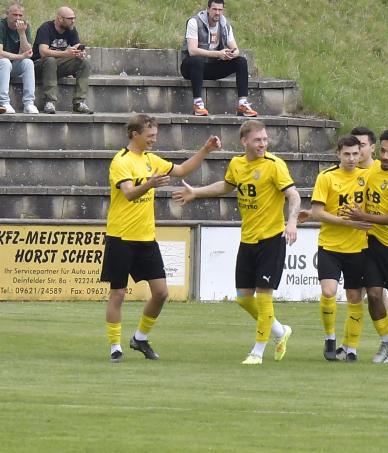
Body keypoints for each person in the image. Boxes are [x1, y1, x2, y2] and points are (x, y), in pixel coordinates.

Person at [172, 120, 299, 365]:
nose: (263, 144)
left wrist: (291, 222)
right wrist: (196, 192)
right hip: (248, 239)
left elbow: (293, 195)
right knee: (243, 298)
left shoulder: (275, 165)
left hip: (272, 239)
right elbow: (226, 186)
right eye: (257, 140)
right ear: (244, 142)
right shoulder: (237, 164)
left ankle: (257, 352)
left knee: (264, 297)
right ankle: (281, 332)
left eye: (265, 139)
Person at [102, 114, 220, 363]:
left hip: (146, 237)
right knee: (118, 294)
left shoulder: (150, 160)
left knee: (161, 292)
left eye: (155, 135)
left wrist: (205, 150)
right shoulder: (120, 161)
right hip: (121, 236)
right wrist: (151, 183)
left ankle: (140, 338)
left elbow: (182, 170)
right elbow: (129, 194)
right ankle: (115, 346)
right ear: (135, 135)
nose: (154, 140)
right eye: (150, 136)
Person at [345, 129, 388, 364]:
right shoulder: (373, 169)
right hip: (373, 244)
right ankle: (385, 341)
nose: (385, 156)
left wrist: (363, 216)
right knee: (374, 295)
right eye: (383, 151)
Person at [310, 135, 372, 362]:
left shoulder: (368, 177)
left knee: (355, 297)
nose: (352, 158)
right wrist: (347, 222)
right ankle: (330, 337)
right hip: (331, 246)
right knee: (329, 292)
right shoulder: (326, 177)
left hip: (358, 248)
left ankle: (352, 348)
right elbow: (317, 212)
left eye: (356, 153)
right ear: (338, 154)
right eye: (347, 154)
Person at [180, 0, 257, 117]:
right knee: (197, 59)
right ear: (208, 9)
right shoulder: (194, 22)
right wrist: (218, 54)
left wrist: (231, 54)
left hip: (211, 67)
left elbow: (236, 48)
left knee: (241, 61)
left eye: (220, 10)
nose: (217, 13)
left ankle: (242, 104)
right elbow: (192, 50)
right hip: (190, 68)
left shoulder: (225, 24)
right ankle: (198, 104)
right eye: (214, 9)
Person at [32, 6, 92, 114]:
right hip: (38, 65)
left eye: (74, 18)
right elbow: (43, 52)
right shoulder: (45, 28)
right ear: (60, 18)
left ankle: (79, 103)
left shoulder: (71, 30)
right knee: (50, 60)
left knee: (85, 62)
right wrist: (65, 53)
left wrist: (80, 53)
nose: (73, 21)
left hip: (56, 65)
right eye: (70, 19)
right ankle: (50, 102)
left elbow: (77, 45)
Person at [0, 2, 37, 114]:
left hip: (11, 65)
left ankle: (29, 103)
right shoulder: (1, 25)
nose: (18, 18)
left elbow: (28, 52)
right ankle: (4, 102)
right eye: (15, 15)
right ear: (7, 15)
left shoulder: (24, 26)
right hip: (3, 63)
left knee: (28, 63)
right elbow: (0, 53)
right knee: (5, 62)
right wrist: (20, 56)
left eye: (20, 15)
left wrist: (22, 34)